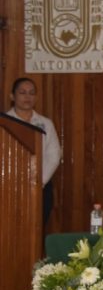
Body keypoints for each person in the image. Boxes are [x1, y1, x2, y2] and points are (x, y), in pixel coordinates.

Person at [6, 77, 61, 225]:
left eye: (31, 93)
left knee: (36, 230)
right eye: (22, 92)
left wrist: (38, 181)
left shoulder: (45, 123)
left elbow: (54, 155)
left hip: (40, 187)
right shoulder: (4, 122)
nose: (27, 97)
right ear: (12, 96)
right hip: (8, 187)